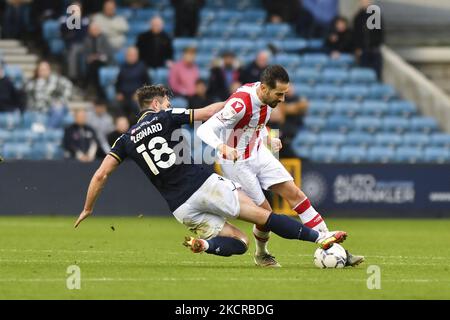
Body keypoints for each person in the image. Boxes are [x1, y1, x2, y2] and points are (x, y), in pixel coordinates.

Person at [74, 84, 348, 261]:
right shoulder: (165, 117)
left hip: (180, 207)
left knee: (239, 243)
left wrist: (88, 208)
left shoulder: (124, 140)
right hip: (204, 185)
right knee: (265, 216)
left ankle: (204, 247)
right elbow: (207, 113)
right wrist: (234, 105)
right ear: (156, 104)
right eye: (166, 101)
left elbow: (100, 175)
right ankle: (320, 237)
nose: (169, 105)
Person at [197, 65, 364, 267]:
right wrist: (222, 147)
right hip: (237, 162)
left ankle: (332, 248)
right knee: (265, 216)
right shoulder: (240, 103)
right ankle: (262, 254)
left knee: (296, 195)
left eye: (285, 94)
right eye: (279, 94)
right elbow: (204, 129)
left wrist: (268, 139)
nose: (283, 99)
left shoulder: (267, 98)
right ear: (265, 89)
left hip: (258, 152)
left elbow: (255, 124)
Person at [25, 61, 73, 128]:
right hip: (38, 109)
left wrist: (61, 101)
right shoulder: (31, 83)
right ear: (37, 71)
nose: (44, 72)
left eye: (46, 69)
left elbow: (68, 85)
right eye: (41, 70)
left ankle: (48, 130)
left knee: (59, 110)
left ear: (49, 70)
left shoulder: (56, 79)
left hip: (54, 107)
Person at [115, 47, 151, 121]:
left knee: (136, 106)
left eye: (133, 55)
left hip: (137, 96)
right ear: (126, 56)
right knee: (117, 106)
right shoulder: (122, 67)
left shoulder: (142, 67)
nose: (131, 57)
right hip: (124, 96)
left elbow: (148, 84)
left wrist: (140, 94)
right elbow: (118, 82)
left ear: (137, 56)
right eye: (129, 55)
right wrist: (119, 92)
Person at [353, 0, 384, 79]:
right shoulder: (358, 17)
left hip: (374, 50)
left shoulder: (375, 15)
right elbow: (356, 34)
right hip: (363, 50)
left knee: (376, 74)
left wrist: (376, 45)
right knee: (363, 73)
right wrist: (358, 48)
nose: (365, 3)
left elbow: (379, 32)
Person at [60, 2, 90, 83]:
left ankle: (78, 78)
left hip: (83, 44)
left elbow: (82, 34)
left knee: (76, 50)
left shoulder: (85, 20)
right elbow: (64, 32)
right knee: (73, 51)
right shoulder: (64, 19)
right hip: (69, 45)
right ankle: (73, 78)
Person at [83, 22, 115, 98]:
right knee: (93, 67)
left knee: (93, 68)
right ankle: (99, 92)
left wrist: (98, 56)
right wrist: (89, 57)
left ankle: (86, 87)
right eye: (92, 30)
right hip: (91, 62)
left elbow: (109, 52)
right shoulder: (87, 39)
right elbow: (85, 52)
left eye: (96, 29)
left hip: (103, 61)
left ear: (99, 30)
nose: (94, 31)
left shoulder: (104, 38)